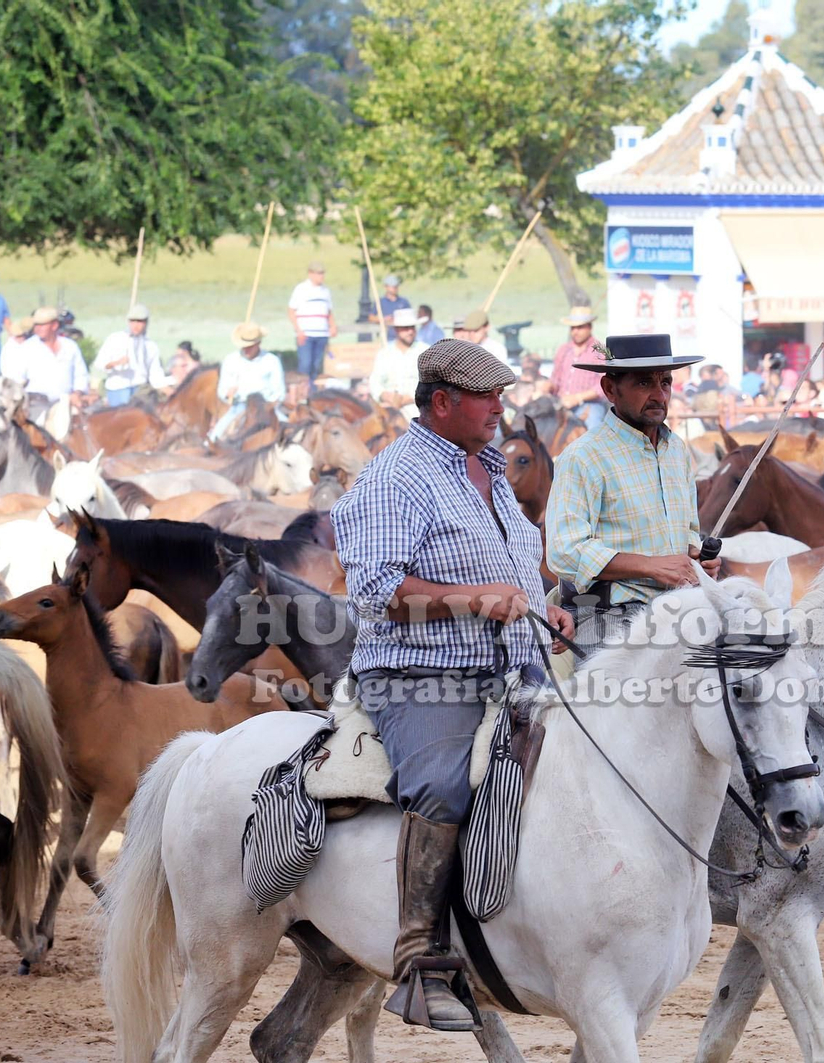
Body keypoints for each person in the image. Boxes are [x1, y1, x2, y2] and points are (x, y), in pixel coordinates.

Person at [329, 338, 574, 1032]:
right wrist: (473, 599)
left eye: (500, 395)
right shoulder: (394, 478)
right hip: (420, 672)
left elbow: (508, 566)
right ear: (442, 402)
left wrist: (543, 603)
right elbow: (377, 592)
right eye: (486, 396)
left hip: (513, 666)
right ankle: (420, 955)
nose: (499, 408)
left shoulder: (488, 467)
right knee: (442, 781)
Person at [545, 333, 719, 655]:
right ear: (610, 389)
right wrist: (650, 566)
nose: (659, 395)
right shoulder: (583, 456)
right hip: (610, 616)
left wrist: (695, 560)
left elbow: (688, 531)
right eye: (643, 383)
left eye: (665, 382)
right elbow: (565, 552)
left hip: (681, 607)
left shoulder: (676, 450)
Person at [209, 323, 284, 442]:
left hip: (266, 407)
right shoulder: (231, 360)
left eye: (250, 346)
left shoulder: (272, 361)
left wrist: (270, 404)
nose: (246, 349)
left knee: (289, 432)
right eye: (244, 346)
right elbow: (222, 390)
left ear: (258, 343)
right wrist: (228, 394)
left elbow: (279, 392)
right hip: (239, 406)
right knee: (214, 438)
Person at [18, 307, 92, 417]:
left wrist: (77, 393)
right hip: (36, 405)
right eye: (36, 325)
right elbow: (16, 379)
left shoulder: (70, 346)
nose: (38, 329)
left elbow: (81, 375)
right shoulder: (26, 348)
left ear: (54, 325)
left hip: (66, 402)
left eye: (42, 325)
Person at [98, 304, 171, 405]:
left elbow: (155, 374)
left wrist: (168, 390)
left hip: (140, 390)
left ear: (146, 323)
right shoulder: (115, 339)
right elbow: (100, 364)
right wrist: (116, 363)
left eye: (140, 321)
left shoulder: (150, 345)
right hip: (118, 389)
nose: (136, 325)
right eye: (132, 321)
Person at [549, 306, 607, 429]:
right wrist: (547, 386)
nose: (575, 331)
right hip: (561, 402)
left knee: (592, 427)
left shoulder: (600, 351)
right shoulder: (564, 350)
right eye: (573, 328)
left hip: (590, 404)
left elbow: (604, 384)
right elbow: (556, 379)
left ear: (589, 327)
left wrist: (578, 397)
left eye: (580, 327)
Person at [370, 307, 429, 413]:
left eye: (412, 327)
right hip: (389, 408)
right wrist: (384, 395)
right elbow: (375, 381)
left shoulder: (425, 351)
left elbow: (431, 384)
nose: (410, 331)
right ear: (396, 330)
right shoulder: (385, 353)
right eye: (406, 328)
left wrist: (410, 397)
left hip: (417, 408)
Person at [288, 260, 337, 383]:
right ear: (310, 274)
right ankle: (303, 389)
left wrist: (332, 326)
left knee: (316, 365)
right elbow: (291, 311)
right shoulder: (301, 289)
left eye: (322, 273)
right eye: (318, 273)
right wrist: (299, 331)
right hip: (306, 333)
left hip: (322, 333)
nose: (321, 276)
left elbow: (329, 311)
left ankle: (313, 390)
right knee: (305, 365)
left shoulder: (325, 291)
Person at [0, 316, 34, 382]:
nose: (22, 338)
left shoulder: (25, 345)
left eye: (22, 336)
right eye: (19, 336)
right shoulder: (10, 348)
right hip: (14, 382)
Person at [379, 274, 410, 340]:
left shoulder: (404, 302)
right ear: (386, 287)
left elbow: (410, 317)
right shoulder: (380, 302)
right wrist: (383, 319)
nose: (395, 288)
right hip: (386, 335)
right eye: (393, 286)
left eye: (396, 286)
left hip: (402, 335)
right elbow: (371, 317)